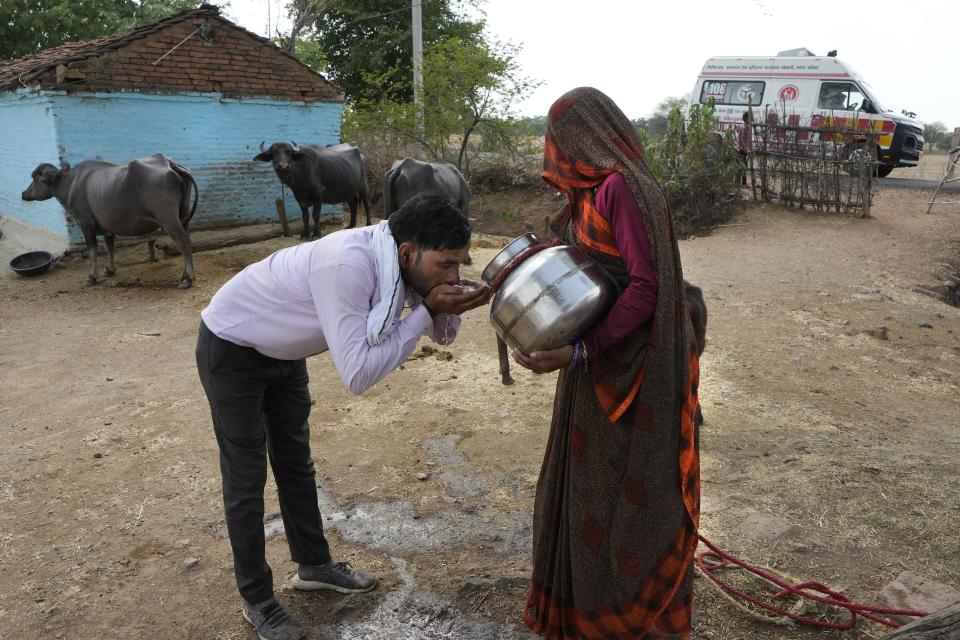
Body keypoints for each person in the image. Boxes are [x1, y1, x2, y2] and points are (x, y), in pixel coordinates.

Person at [195, 193, 491, 640]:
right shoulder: (348, 265)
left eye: (459, 265)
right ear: (408, 253)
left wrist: (444, 302)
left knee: (295, 463)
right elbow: (357, 374)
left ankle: (313, 564)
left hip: (284, 352)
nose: (453, 275)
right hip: (233, 348)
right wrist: (427, 310)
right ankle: (258, 599)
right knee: (246, 477)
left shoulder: (398, 263)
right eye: (445, 265)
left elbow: (442, 336)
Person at [512, 87, 701, 639]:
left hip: (632, 369)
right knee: (586, 488)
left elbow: (645, 288)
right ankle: (581, 612)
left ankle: (634, 617)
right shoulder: (588, 195)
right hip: (592, 363)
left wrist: (582, 349)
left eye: (558, 137)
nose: (552, 150)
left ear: (584, 136)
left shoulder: (623, 188)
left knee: (630, 494)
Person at [738, 110, 754, 186]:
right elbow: (742, 139)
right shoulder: (744, 128)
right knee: (743, 166)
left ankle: (741, 182)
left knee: (743, 166)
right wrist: (746, 149)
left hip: (743, 149)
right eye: (750, 118)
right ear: (746, 119)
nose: (752, 119)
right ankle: (743, 183)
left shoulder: (747, 127)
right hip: (742, 150)